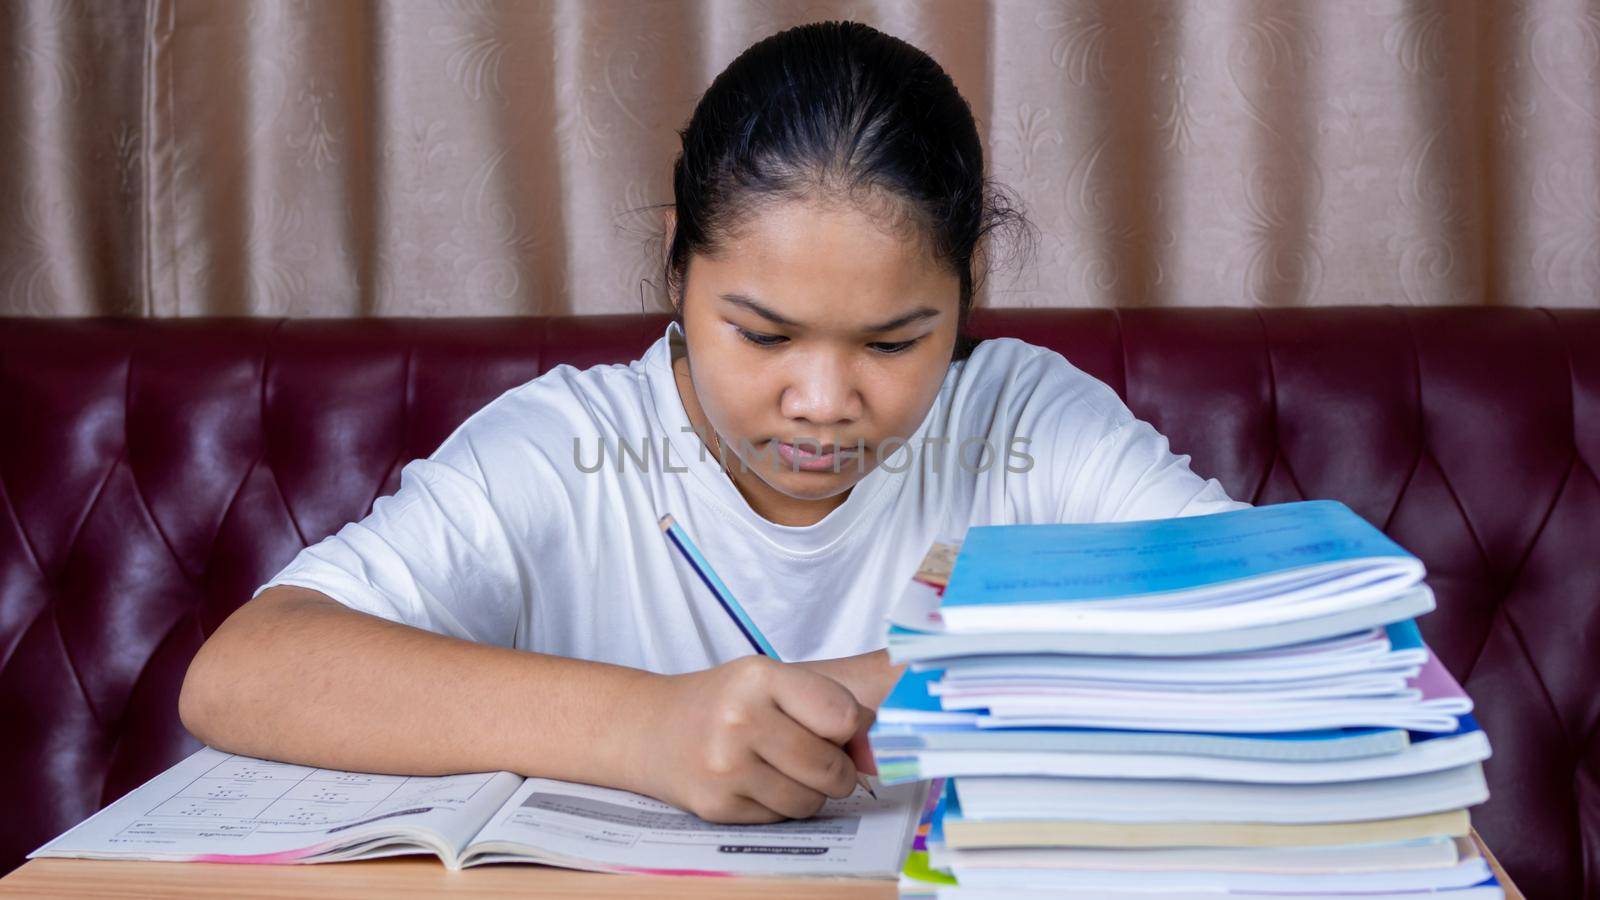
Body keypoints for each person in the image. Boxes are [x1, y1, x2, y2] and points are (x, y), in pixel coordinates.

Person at [178, 20, 1248, 826]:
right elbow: (246, 672)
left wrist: (890, 682)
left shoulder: (1022, 415)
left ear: (966, 295)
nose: (824, 403)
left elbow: (1283, 612)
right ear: (679, 278)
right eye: (763, 335)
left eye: (891, 344)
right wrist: (645, 727)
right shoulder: (567, 448)